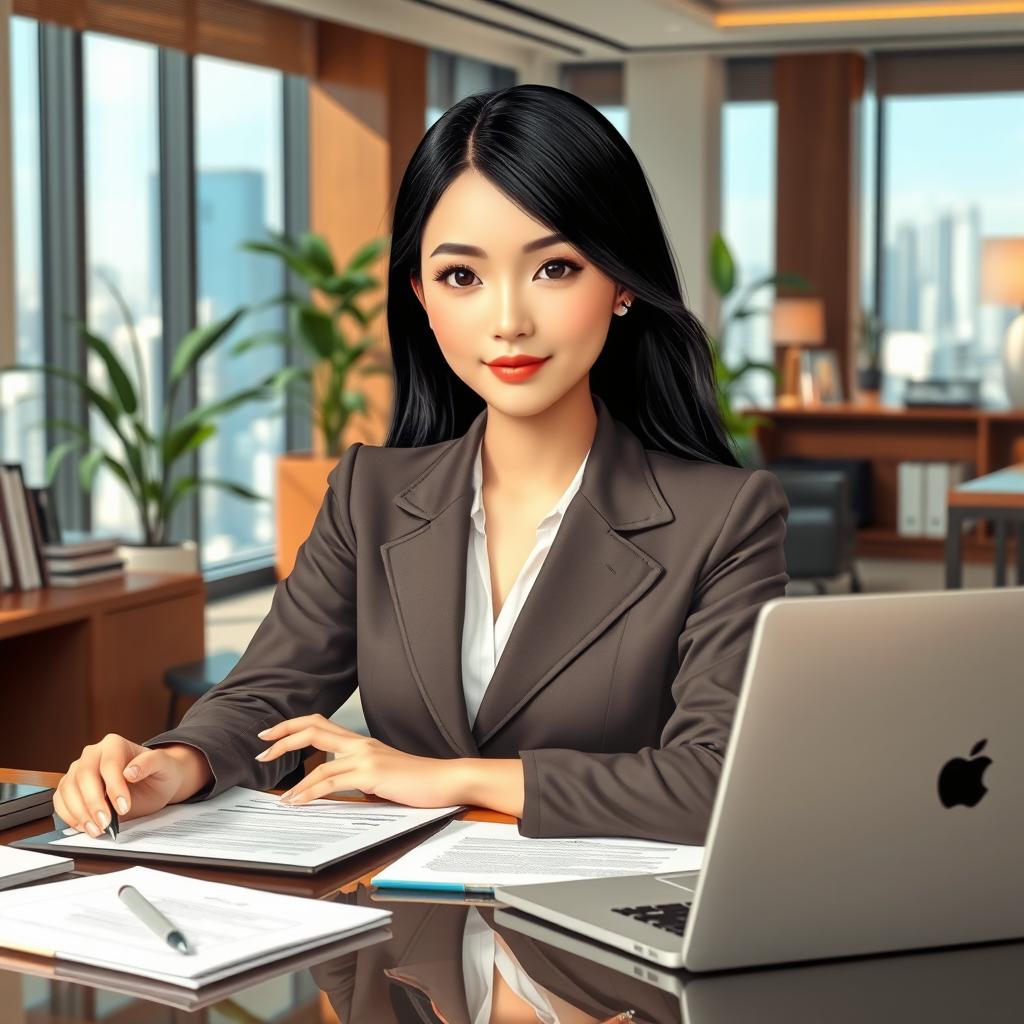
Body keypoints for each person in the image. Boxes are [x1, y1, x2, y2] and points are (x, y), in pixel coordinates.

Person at [53, 83, 789, 846]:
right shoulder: (370, 493)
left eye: (555, 268)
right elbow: (266, 694)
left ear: (621, 283)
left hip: (601, 941)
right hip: (404, 941)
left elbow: (716, 776)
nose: (508, 320)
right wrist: (170, 765)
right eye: (462, 277)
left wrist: (452, 779)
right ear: (422, 297)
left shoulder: (723, 517)